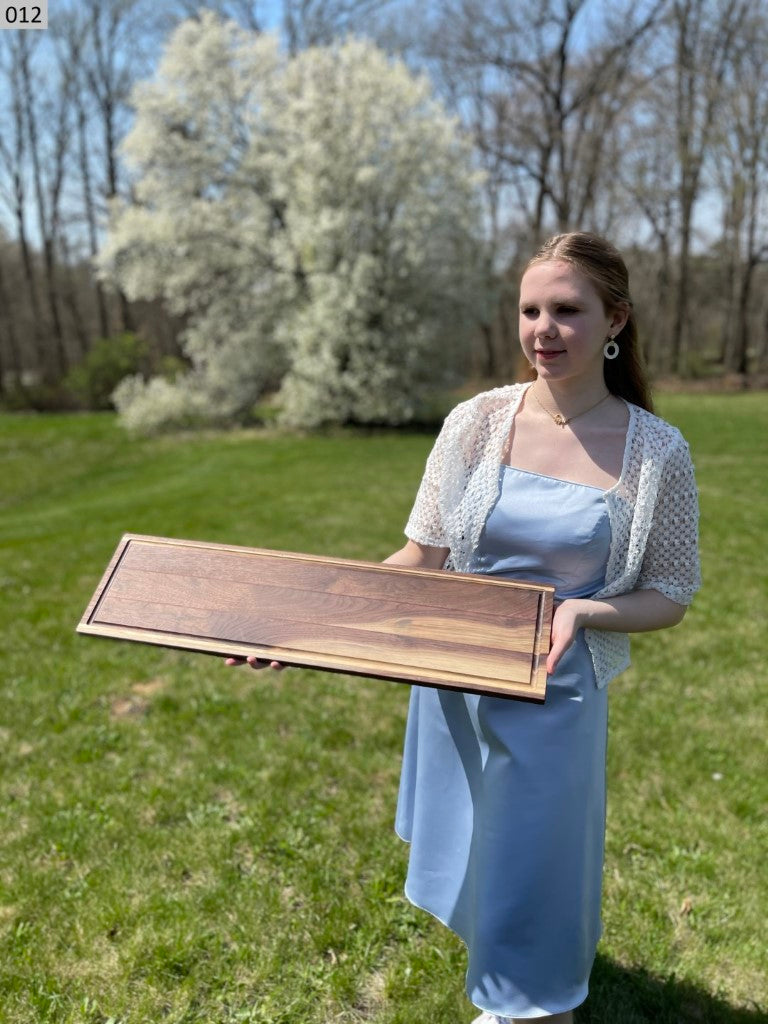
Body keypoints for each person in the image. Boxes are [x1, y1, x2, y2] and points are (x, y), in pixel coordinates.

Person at [229, 232, 701, 1023]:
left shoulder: (657, 451)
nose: (543, 328)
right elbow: (422, 554)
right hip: (453, 682)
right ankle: (509, 987)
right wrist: (302, 622)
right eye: (529, 310)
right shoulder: (476, 423)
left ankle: (539, 1004)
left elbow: (672, 593)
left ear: (615, 320)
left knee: (537, 862)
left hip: (556, 694)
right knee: (484, 858)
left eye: (567, 310)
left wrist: (583, 610)